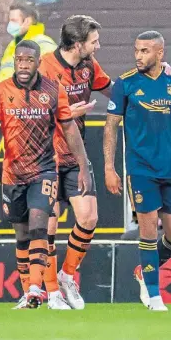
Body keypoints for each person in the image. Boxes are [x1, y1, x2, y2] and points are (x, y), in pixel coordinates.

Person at [0, 40, 91, 309]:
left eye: (28, 60)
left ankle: (35, 288)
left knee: (39, 226)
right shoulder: (0, 90)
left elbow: (70, 129)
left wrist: (83, 165)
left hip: (44, 170)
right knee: (21, 234)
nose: (22, 64)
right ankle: (27, 293)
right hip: (13, 173)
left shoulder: (54, 91)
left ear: (38, 62)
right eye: (19, 59)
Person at [33, 15, 112, 310]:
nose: (98, 46)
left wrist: (148, 90)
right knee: (49, 226)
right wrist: (67, 114)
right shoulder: (45, 66)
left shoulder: (88, 66)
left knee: (89, 218)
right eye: (94, 42)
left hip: (74, 154)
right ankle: (52, 292)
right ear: (78, 44)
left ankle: (67, 275)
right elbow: (32, 112)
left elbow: (112, 90)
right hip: (45, 156)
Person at [104, 31, 171, 312]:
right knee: (147, 230)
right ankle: (154, 294)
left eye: (145, 51)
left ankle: (143, 272)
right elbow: (110, 127)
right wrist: (109, 167)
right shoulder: (126, 84)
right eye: (136, 50)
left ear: (160, 53)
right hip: (141, 170)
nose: (138, 55)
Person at [0, 3, 57, 83]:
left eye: (14, 21)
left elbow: (50, 77)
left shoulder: (44, 44)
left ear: (28, 21)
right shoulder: (12, 45)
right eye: (10, 20)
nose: (10, 24)